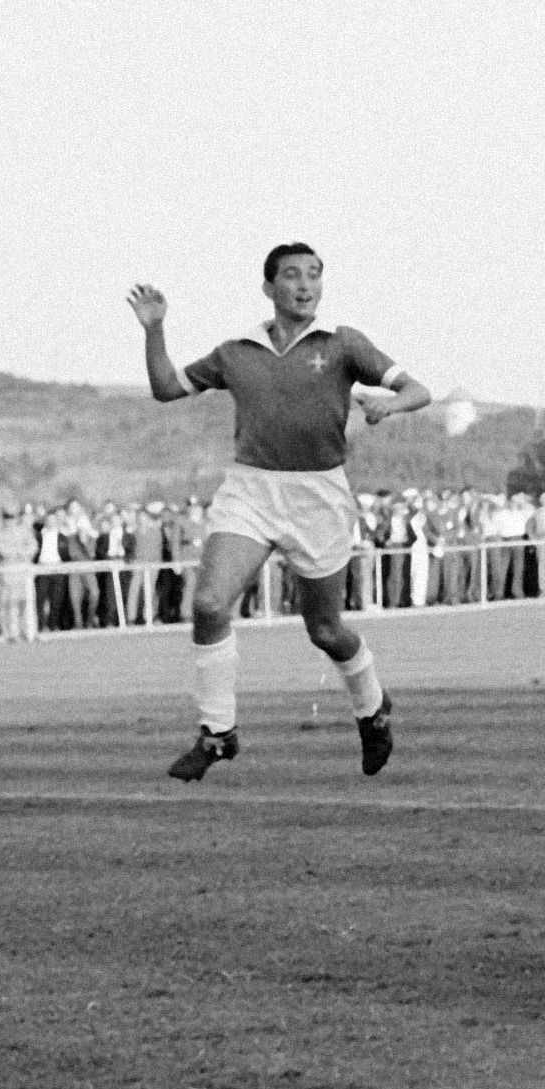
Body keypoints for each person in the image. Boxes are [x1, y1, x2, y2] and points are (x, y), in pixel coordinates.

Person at [128, 243, 429, 781]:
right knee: (210, 602)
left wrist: (389, 403)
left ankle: (373, 708)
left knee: (326, 629)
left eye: (314, 275)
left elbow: (418, 389)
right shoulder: (237, 351)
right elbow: (167, 389)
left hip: (319, 495)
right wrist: (155, 329)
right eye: (292, 275)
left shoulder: (343, 344)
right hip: (252, 490)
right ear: (269, 287)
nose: (305, 285)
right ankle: (218, 732)